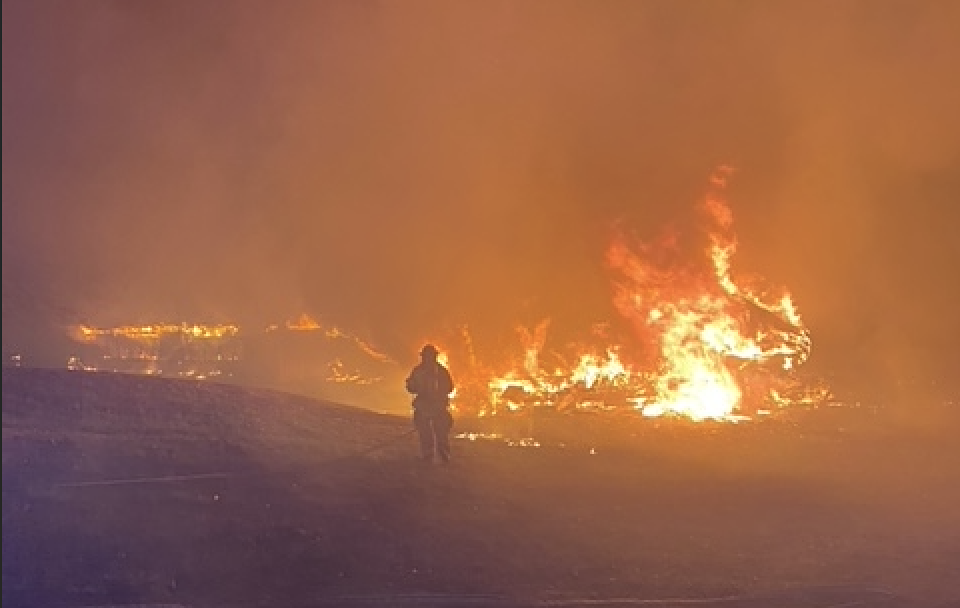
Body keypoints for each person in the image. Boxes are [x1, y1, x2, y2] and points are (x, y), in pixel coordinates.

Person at [405, 344, 455, 463]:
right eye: (425, 356)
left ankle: (444, 456)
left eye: (429, 356)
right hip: (423, 406)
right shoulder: (417, 371)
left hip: (439, 407)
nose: (427, 359)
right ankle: (428, 456)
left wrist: (439, 396)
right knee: (424, 432)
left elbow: (449, 388)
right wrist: (411, 385)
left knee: (441, 432)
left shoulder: (442, 372)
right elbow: (411, 387)